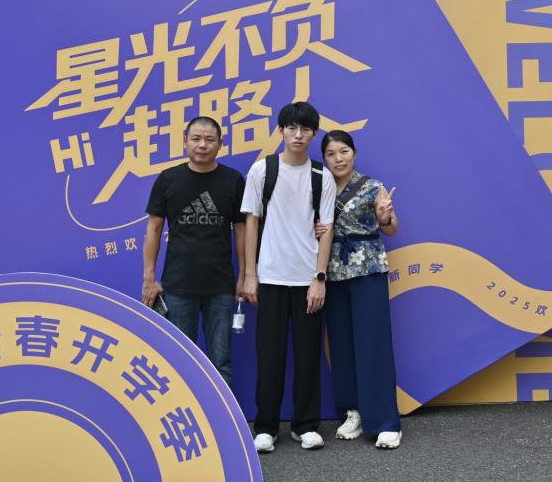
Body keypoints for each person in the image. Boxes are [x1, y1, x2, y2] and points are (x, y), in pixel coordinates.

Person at [241, 102, 336, 452]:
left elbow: (327, 229)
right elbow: (251, 222)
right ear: (280, 130)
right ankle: (266, 427)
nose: (298, 135)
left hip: (307, 278)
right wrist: (250, 274)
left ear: (314, 134)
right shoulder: (261, 170)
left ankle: (305, 425)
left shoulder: (321, 176)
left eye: (305, 129)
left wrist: (319, 278)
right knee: (270, 356)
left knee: (308, 354)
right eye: (291, 128)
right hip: (270, 277)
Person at [142, 117, 245, 387]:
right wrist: (149, 278)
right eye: (196, 139)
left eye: (210, 140)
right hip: (178, 286)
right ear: (184, 141)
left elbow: (242, 230)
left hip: (220, 286)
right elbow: (154, 229)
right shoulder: (168, 179)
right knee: (179, 362)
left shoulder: (233, 180)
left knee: (220, 362)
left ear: (220, 144)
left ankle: (223, 415)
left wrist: (245, 275)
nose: (202, 145)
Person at [317, 129, 402, 449]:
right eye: (331, 154)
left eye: (344, 151)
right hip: (332, 272)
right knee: (341, 344)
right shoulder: (320, 188)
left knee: (373, 343)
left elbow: (392, 229)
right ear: (324, 159)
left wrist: (385, 217)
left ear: (354, 153)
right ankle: (352, 412)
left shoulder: (372, 186)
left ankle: (385, 421)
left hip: (368, 269)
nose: (338, 159)